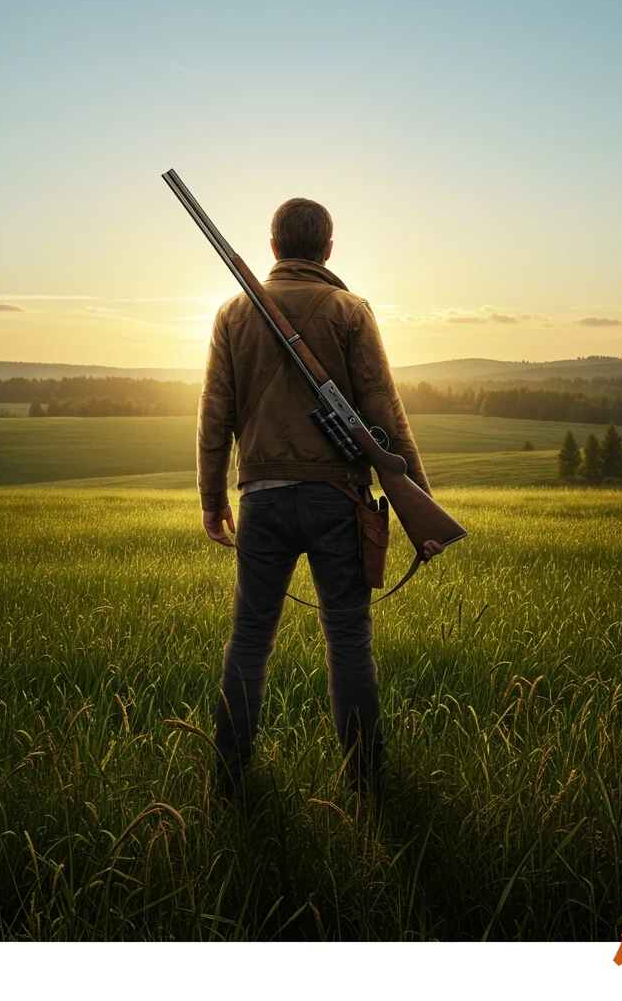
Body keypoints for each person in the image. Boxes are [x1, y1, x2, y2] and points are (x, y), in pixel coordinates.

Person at [197, 196, 442, 801]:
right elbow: (386, 409)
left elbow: (213, 414)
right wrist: (422, 501)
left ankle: (228, 779)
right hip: (340, 502)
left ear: (275, 247)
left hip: (261, 501)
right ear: (327, 249)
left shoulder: (232, 314)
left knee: (250, 639)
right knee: (349, 639)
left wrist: (210, 496)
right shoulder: (350, 310)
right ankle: (365, 780)